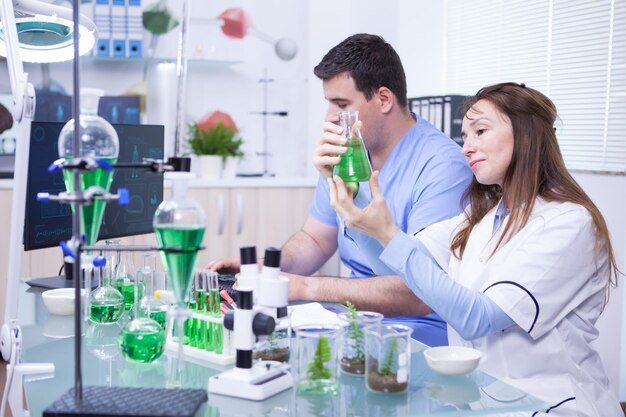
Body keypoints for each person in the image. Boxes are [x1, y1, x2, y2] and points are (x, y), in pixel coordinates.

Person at [328, 82, 621, 416]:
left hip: (550, 404)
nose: (466, 147)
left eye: (480, 130)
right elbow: (394, 265)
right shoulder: (481, 218)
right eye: (465, 136)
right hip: (484, 399)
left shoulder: (569, 224)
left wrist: (388, 233)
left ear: (527, 136)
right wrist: (348, 192)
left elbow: (478, 318)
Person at [208, 33, 472, 347]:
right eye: (329, 103)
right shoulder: (348, 152)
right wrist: (266, 270)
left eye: (341, 104)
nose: (330, 117)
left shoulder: (443, 167)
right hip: (349, 320)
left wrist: (306, 287)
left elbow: (419, 294)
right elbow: (315, 239)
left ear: (384, 99)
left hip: (416, 334)